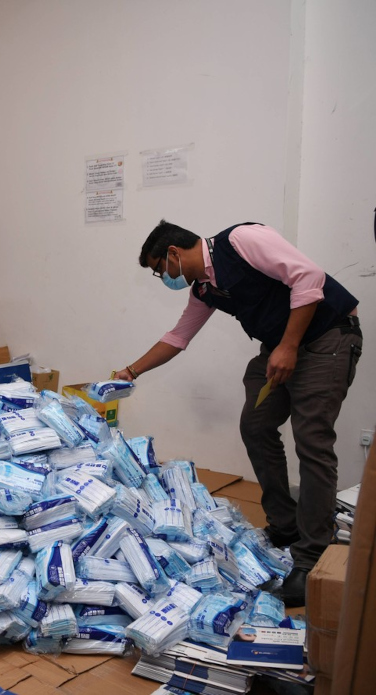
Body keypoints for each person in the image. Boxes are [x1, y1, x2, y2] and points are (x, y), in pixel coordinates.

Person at [114, 220, 362, 606]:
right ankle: (285, 526)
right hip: (284, 346)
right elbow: (178, 337)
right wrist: (131, 371)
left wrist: (289, 346)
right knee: (256, 425)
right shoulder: (204, 288)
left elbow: (309, 277)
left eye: (160, 268)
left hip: (326, 338)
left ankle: (312, 555)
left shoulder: (240, 240)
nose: (162, 276)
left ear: (175, 253)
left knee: (312, 441)